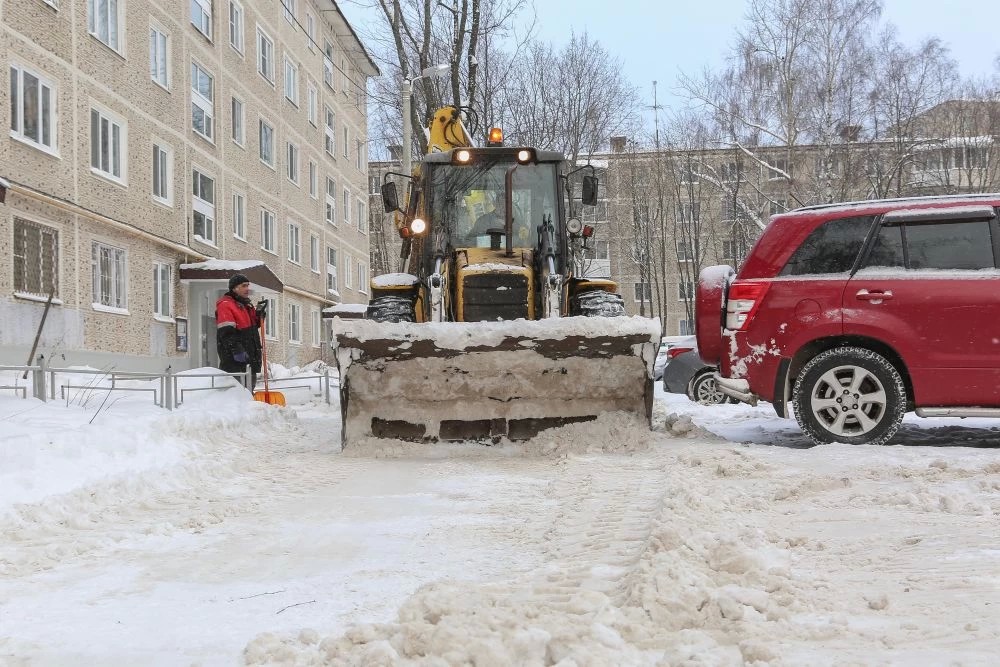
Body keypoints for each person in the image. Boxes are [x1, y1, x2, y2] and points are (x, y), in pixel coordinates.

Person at [215, 273, 266, 391]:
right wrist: (237, 350)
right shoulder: (226, 305)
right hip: (235, 361)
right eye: (244, 286)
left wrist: (259, 316)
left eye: (248, 285)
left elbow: (254, 326)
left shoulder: (246, 305)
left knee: (248, 391)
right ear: (234, 288)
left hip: (250, 358)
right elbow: (226, 332)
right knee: (237, 393)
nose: (247, 289)